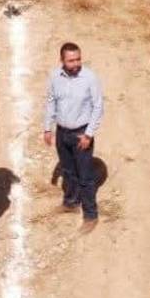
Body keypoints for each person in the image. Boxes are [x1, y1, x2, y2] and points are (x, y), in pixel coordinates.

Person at [43, 42, 104, 233]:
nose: (76, 63)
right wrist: (47, 128)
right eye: (71, 60)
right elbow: (51, 102)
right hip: (62, 133)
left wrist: (89, 134)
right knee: (68, 171)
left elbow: (98, 107)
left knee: (85, 177)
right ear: (62, 60)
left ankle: (91, 215)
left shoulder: (90, 78)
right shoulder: (54, 76)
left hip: (81, 134)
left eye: (78, 59)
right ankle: (70, 202)